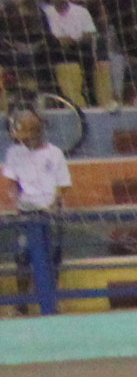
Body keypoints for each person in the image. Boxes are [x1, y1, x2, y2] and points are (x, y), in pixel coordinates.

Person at [4, 110, 66, 317]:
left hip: (49, 212)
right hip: (26, 212)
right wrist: (16, 200)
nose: (21, 138)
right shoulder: (14, 153)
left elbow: (62, 185)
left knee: (52, 257)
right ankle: (22, 304)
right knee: (22, 256)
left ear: (36, 131)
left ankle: (50, 302)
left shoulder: (55, 153)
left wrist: (53, 205)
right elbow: (12, 184)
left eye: (25, 132)